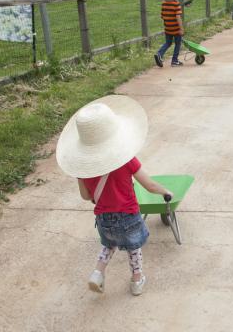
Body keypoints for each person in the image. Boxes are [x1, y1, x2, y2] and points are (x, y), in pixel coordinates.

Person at [55, 94, 174, 296]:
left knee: (108, 244)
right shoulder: (126, 159)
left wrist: (79, 177)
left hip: (103, 218)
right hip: (127, 215)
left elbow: (86, 196)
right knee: (133, 249)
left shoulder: (86, 168)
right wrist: (166, 191)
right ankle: (137, 281)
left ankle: (97, 273)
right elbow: (149, 185)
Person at [154, 0, 187, 67]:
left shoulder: (164, 3)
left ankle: (159, 54)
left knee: (168, 43)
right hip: (176, 29)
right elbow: (178, 17)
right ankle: (174, 61)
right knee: (177, 44)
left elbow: (162, 16)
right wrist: (181, 29)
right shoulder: (176, 4)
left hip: (167, 28)